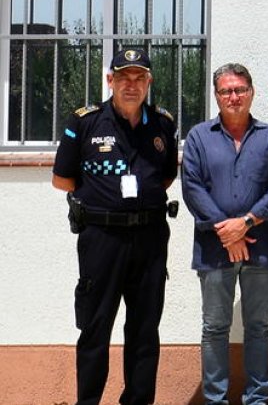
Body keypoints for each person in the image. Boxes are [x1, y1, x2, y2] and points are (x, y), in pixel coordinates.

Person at [51, 48, 179, 405]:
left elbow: (166, 175)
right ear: (110, 80)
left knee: (144, 331)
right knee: (95, 328)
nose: (131, 85)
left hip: (150, 240)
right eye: (124, 77)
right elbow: (62, 179)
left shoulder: (163, 124)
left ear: (149, 83)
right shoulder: (86, 122)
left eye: (140, 78)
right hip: (102, 238)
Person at [181, 63, 268, 405]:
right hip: (214, 249)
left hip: (260, 247)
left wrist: (245, 223)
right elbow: (192, 186)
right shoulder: (199, 136)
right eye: (227, 91)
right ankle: (216, 399)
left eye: (240, 90)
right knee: (214, 327)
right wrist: (226, 231)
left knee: (258, 327)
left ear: (252, 92)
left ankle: (256, 398)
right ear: (217, 96)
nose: (234, 97)